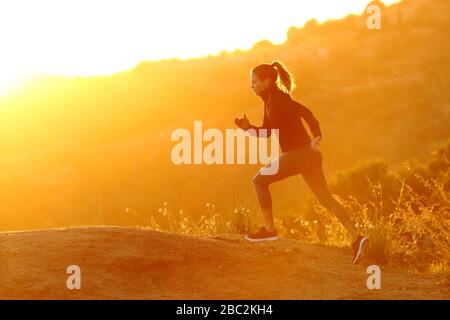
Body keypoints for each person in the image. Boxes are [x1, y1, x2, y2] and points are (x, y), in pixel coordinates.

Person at [234, 60, 369, 264]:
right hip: (308, 156)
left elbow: (306, 112)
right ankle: (356, 238)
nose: (251, 85)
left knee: (259, 181)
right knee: (325, 198)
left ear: (267, 81)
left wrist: (317, 135)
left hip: (300, 153)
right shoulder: (269, 100)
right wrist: (247, 127)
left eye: (254, 81)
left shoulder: (278, 99)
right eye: (250, 82)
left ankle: (269, 229)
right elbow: (267, 132)